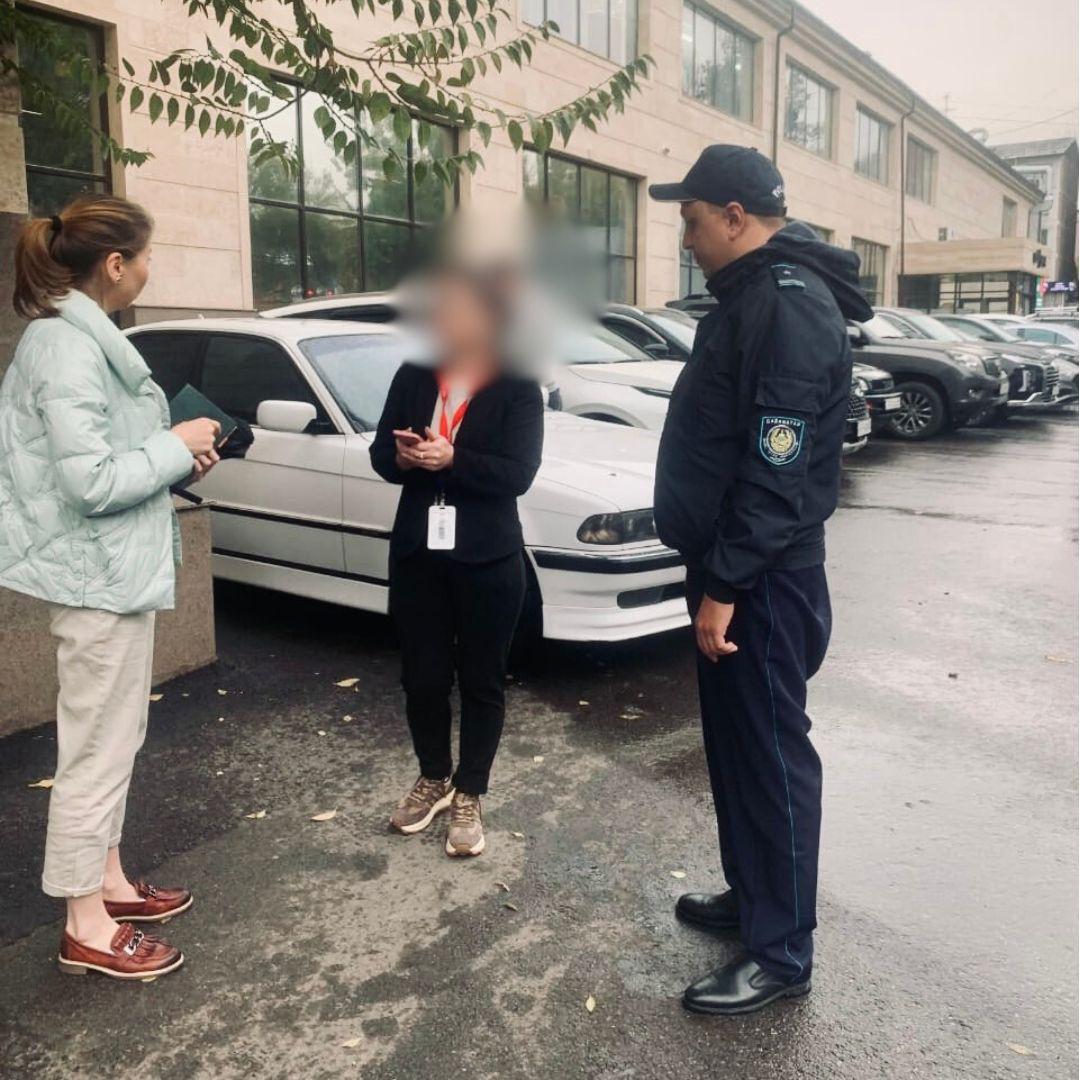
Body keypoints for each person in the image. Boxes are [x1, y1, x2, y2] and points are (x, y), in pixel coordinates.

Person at [649, 146, 873, 1015]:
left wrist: (725, 585)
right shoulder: (751, 297)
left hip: (763, 582)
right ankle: (754, 897)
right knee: (737, 749)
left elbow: (777, 473)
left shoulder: (786, 305)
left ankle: (781, 953)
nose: (687, 238)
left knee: (773, 758)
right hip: (734, 570)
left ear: (736, 216)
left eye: (693, 220)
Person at [0, 195, 222, 980]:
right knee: (95, 750)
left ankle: (110, 883)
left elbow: (106, 460)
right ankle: (85, 925)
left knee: (114, 740)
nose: (152, 269)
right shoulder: (65, 347)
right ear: (116, 264)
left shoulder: (81, 338)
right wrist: (172, 446)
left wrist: (174, 454)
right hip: (95, 576)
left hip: (113, 572)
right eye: (148, 256)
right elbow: (90, 483)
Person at [371, 265, 544, 858]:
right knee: (421, 676)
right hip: (418, 552)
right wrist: (404, 459)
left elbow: (518, 474)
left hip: (487, 556)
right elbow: (380, 455)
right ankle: (434, 777)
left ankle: (471, 791)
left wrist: (452, 460)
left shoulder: (517, 384)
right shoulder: (415, 374)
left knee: (481, 679)